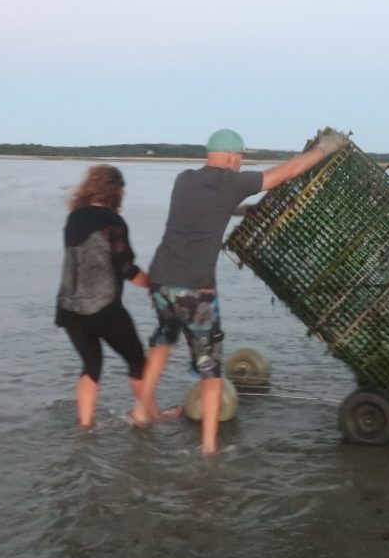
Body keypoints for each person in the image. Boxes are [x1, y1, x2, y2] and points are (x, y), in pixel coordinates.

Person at [130, 128, 350, 453]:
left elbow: (204, 207)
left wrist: (238, 211)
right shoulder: (233, 182)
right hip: (195, 288)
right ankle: (208, 447)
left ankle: (140, 413)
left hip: (162, 281)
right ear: (232, 156)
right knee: (211, 367)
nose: (241, 162)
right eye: (241, 157)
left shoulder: (184, 179)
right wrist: (323, 149)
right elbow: (285, 172)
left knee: (162, 345)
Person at [56, 164, 163, 429]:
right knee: (138, 362)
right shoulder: (114, 223)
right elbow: (126, 269)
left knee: (91, 365)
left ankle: (85, 428)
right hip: (104, 309)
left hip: (69, 308)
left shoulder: (74, 217)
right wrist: (154, 285)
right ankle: (152, 416)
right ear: (116, 192)